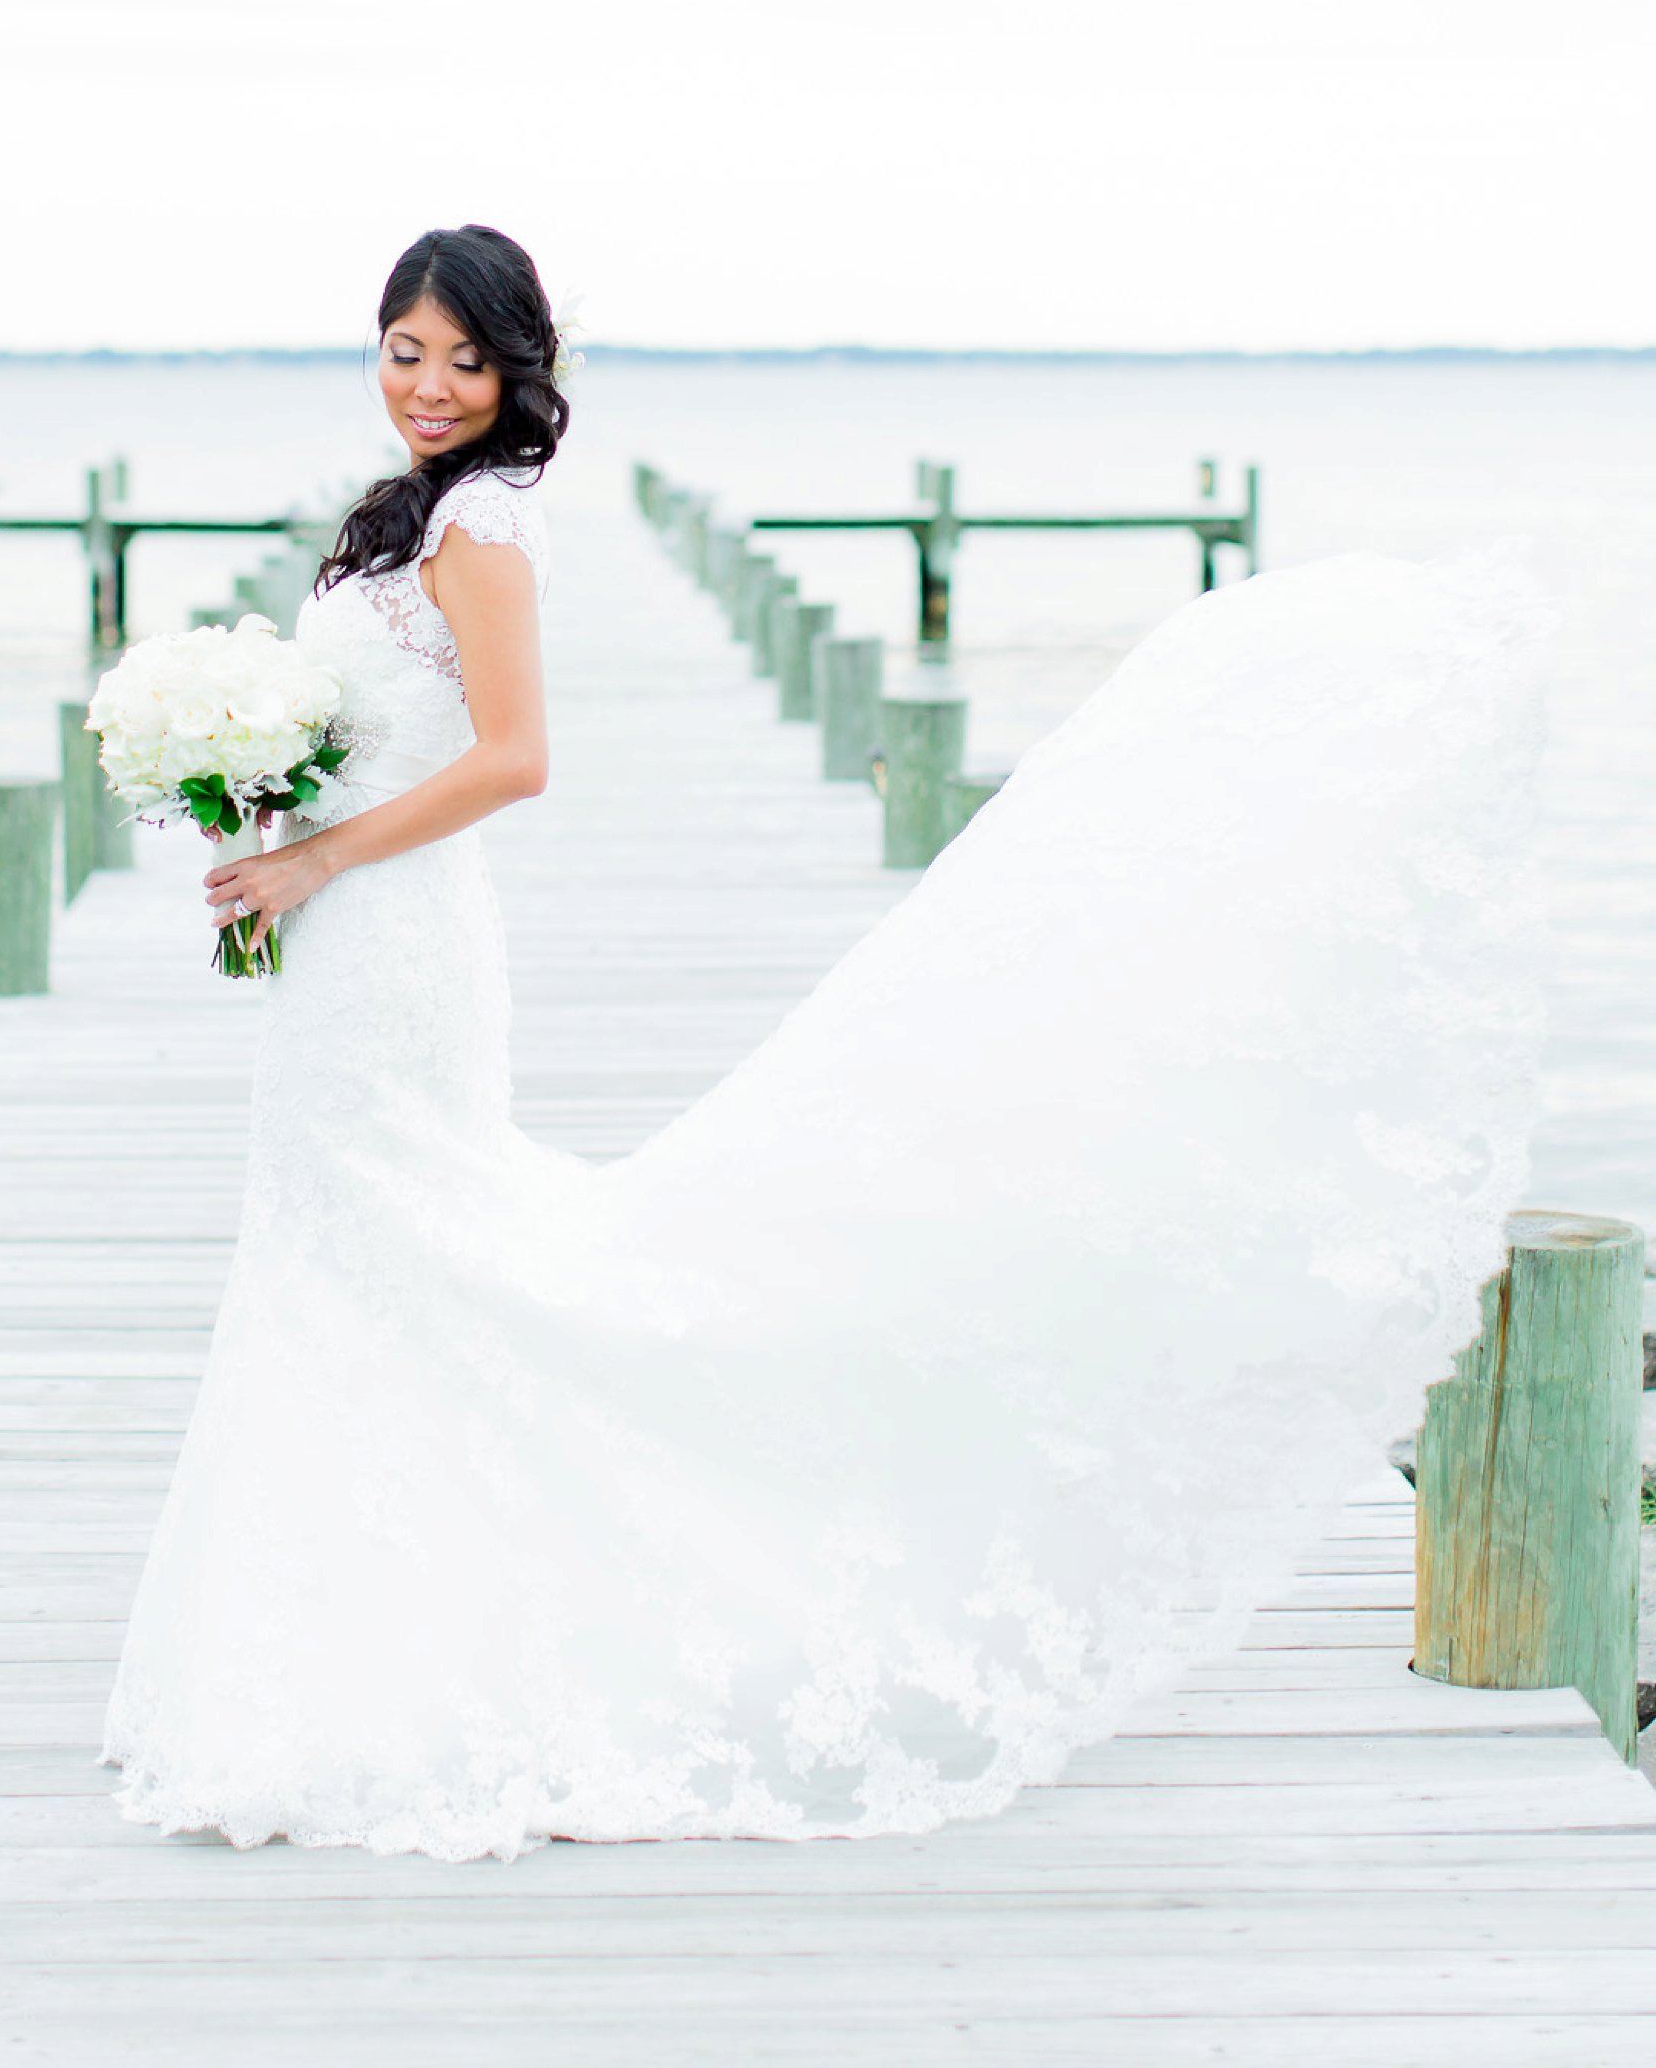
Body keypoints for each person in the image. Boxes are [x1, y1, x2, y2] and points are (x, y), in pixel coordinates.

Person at [104, 222, 1543, 1859]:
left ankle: (403, 1651)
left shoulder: (488, 526)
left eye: (464, 359)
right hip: (341, 931)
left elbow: (518, 759)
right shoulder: (406, 517)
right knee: (338, 1250)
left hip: (397, 934)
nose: (428, 386)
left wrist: (317, 855)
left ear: (522, 372)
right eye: (403, 350)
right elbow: (376, 735)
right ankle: (321, 1636)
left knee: (405, 1245)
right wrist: (266, 816)